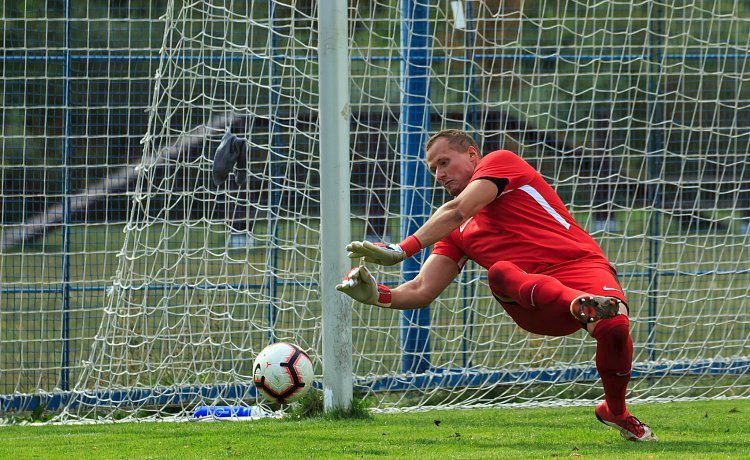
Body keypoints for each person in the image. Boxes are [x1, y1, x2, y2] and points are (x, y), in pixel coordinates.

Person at [336, 129, 657, 442]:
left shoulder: (500, 161)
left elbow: (457, 209)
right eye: (433, 168)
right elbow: (422, 289)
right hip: (534, 301)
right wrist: (378, 295)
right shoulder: (455, 232)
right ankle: (580, 303)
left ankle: (615, 410)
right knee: (500, 272)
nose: (438, 174)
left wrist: (400, 249)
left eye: (444, 162)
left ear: (472, 155)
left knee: (615, 326)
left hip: (582, 266)